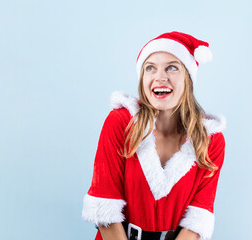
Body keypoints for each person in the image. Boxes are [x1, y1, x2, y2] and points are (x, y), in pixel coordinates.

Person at [82, 31, 226, 240]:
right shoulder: (120, 123)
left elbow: (197, 221)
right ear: (143, 78)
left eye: (172, 67)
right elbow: (105, 207)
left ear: (188, 77)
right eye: (150, 68)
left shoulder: (211, 140)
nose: (160, 77)